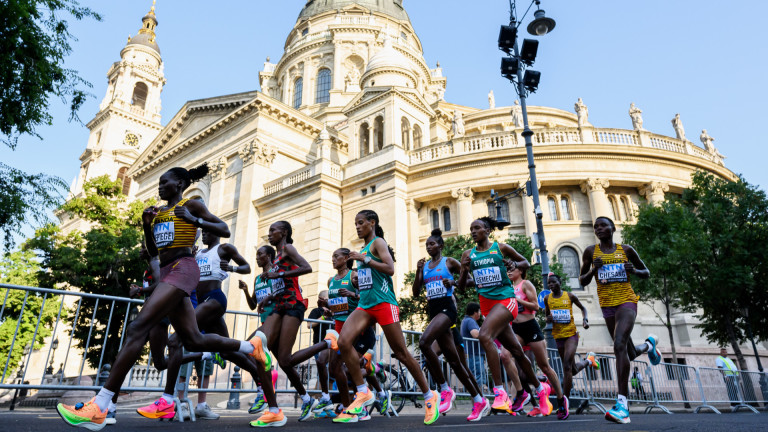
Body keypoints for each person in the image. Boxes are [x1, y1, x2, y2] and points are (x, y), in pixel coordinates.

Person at [56, 163, 275, 430]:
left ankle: (101, 404)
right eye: (158, 183)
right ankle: (249, 347)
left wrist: (195, 221)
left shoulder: (191, 205)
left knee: (138, 328)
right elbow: (152, 251)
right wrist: (147, 226)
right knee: (193, 340)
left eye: (165, 183)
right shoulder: (158, 213)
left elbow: (223, 229)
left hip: (183, 269)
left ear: (179, 185)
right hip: (169, 269)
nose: (160, 187)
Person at [333, 210, 441, 425]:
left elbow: (390, 269)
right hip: (365, 304)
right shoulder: (363, 249)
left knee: (401, 352)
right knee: (343, 342)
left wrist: (365, 259)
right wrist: (358, 280)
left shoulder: (378, 243)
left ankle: (430, 395)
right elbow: (368, 278)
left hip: (384, 303)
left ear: (372, 223)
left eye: (361, 222)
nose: (357, 226)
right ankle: (363, 391)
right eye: (355, 223)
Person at [146, 228, 254, 421]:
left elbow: (247, 267)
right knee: (227, 351)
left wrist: (232, 269)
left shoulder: (224, 248)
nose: (204, 234)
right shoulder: (199, 253)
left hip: (214, 299)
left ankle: (167, 399)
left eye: (207, 232)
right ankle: (260, 372)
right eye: (202, 232)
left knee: (174, 340)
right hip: (202, 300)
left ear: (216, 232)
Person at [457, 217, 552, 416]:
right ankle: (539, 388)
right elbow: (461, 287)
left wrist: (512, 263)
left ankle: (500, 393)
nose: (473, 232)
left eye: (477, 228)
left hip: (506, 301)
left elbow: (525, 262)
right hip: (487, 307)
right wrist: (464, 270)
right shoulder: (468, 254)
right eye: (471, 229)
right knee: (516, 351)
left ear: (488, 230)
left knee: (484, 336)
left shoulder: (500, 248)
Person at [580, 216, 661, 424]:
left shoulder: (626, 249)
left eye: (603, 225)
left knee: (618, 345)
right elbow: (582, 280)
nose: (599, 229)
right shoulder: (590, 252)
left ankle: (623, 406)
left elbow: (646, 272)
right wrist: (593, 270)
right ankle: (649, 345)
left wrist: (633, 270)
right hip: (607, 306)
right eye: (596, 226)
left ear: (613, 228)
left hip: (626, 302)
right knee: (629, 352)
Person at [413, 229, 488, 421]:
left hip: (448, 310)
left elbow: (470, 281)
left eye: (432, 244)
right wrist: (418, 271)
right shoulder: (426, 266)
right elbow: (415, 292)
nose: (429, 247)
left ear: (440, 245)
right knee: (454, 362)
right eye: (427, 245)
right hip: (434, 312)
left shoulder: (449, 262)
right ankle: (479, 399)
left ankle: (445, 389)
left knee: (424, 343)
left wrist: (453, 282)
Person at [255, 221, 316, 422]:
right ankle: (306, 399)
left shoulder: (288, 248)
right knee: (282, 360)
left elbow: (307, 268)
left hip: (293, 305)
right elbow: (280, 286)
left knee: (285, 359)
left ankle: (327, 342)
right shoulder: (278, 257)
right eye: (269, 230)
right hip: (279, 306)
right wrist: (267, 298)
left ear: (284, 232)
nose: (269, 233)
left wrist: (278, 273)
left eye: (273, 230)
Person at [508, 264, 568, 418]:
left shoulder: (525, 284)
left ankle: (561, 400)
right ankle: (521, 393)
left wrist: (518, 301)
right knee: (505, 356)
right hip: (516, 328)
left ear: (520, 271)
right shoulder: (508, 287)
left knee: (545, 366)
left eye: (512, 269)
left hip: (530, 327)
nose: (508, 272)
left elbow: (535, 306)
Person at [238, 245, 280, 416]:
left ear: (269, 256)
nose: (256, 258)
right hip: (264, 323)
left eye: (259, 254)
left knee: (248, 349)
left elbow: (281, 294)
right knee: (284, 361)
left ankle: (264, 388)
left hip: (276, 320)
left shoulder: (276, 273)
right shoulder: (258, 278)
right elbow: (253, 305)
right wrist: (247, 290)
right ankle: (267, 386)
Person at [544, 274, 599, 403]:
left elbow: (583, 308)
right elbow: (547, 315)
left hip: (571, 335)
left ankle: (565, 400)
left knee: (567, 366)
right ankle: (589, 361)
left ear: (559, 282)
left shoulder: (569, 296)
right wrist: (548, 319)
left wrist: (585, 319)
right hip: (558, 336)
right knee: (572, 370)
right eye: (549, 283)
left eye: (553, 282)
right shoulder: (547, 298)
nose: (551, 285)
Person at [460, 303, 486, 389]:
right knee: (477, 377)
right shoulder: (470, 321)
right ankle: (478, 398)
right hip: (474, 354)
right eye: (479, 311)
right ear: (475, 312)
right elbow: (475, 334)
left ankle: (478, 398)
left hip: (472, 353)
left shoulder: (466, 320)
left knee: (475, 376)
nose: (480, 313)